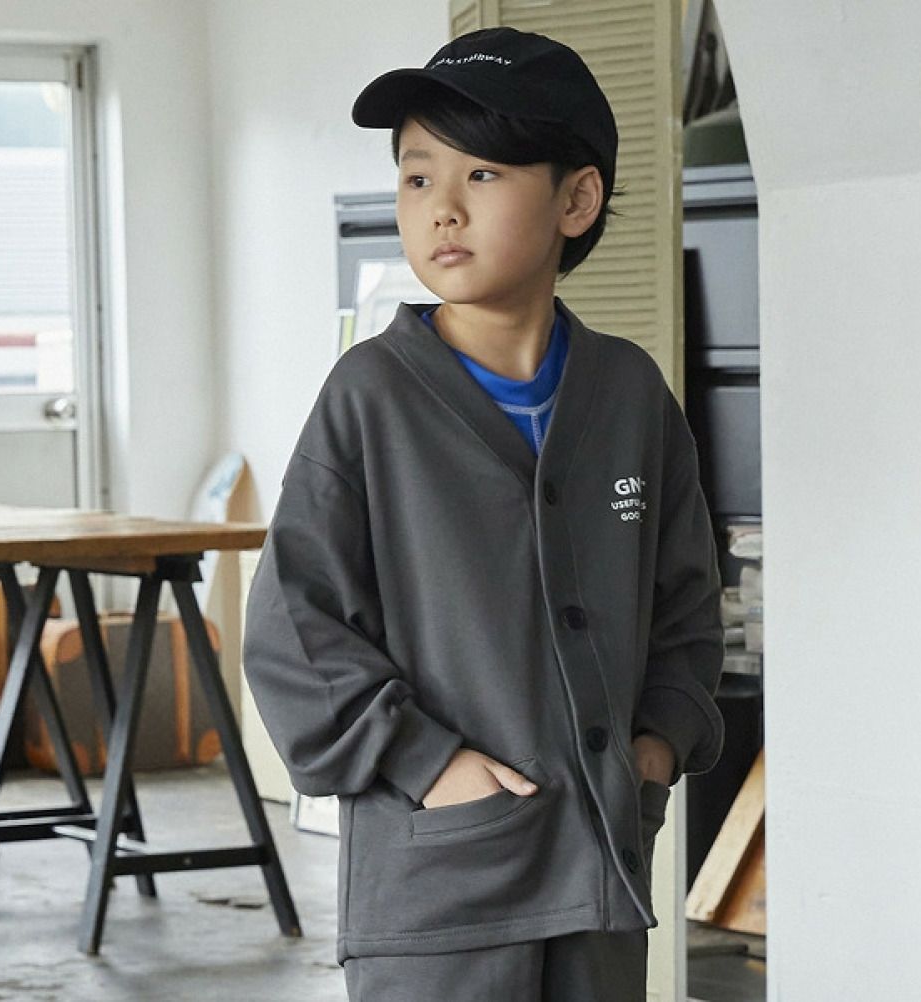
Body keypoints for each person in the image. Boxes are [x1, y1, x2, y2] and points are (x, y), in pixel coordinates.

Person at [242, 25, 725, 1002]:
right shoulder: (371, 398)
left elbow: (685, 608)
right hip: (438, 896)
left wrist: (658, 746)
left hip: (598, 879)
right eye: (418, 177)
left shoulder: (630, 397)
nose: (442, 208)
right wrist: (428, 763)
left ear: (576, 200)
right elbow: (294, 627)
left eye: (484, 174)